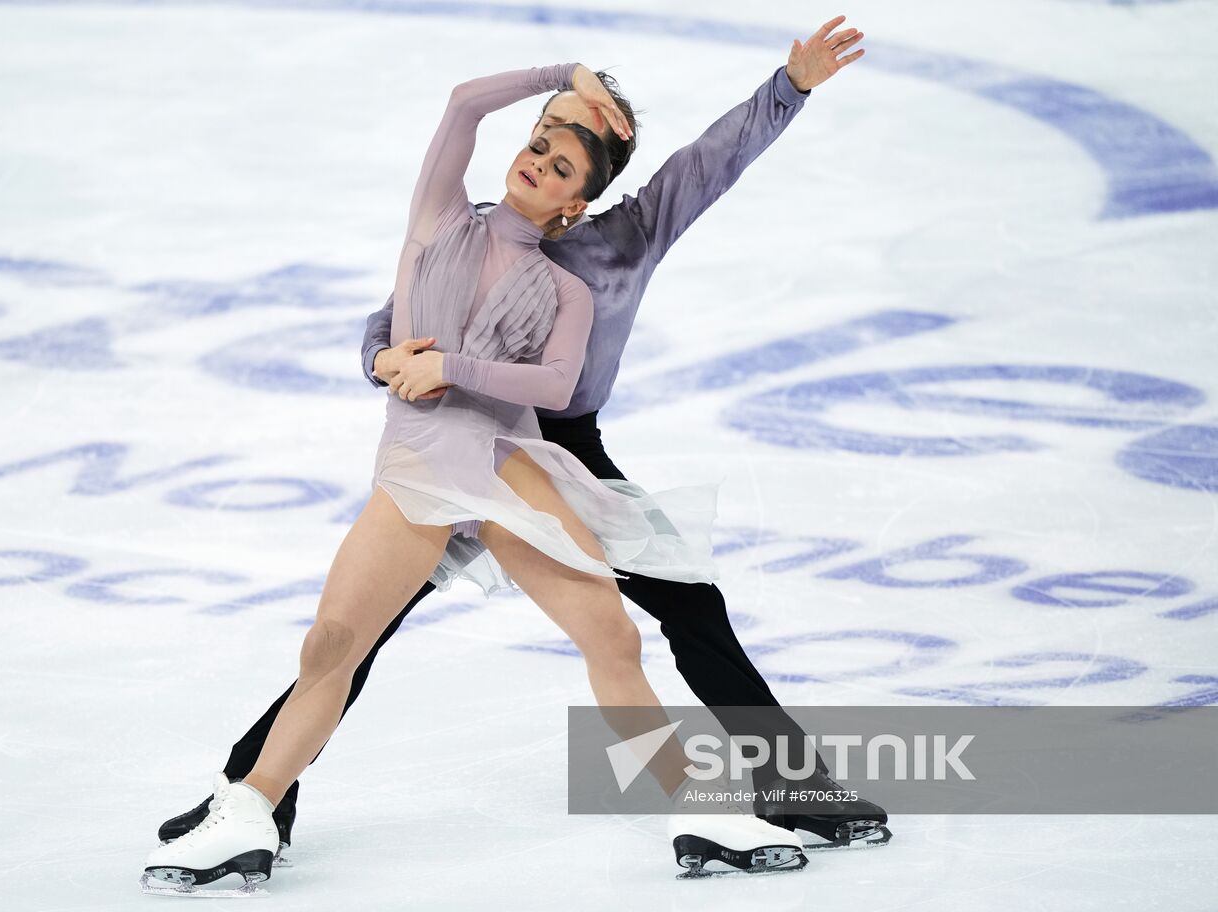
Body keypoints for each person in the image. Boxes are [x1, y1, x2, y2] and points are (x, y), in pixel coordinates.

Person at [142, 60, 805, 897]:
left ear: (577, 202)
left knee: (613, 634)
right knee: (336, 644)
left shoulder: (569, 284)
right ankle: (249, 808)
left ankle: (699, 809)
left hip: (508, 463)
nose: (538, 161)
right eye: (537, 144)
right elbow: (461, 106)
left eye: (562, 165)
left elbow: (557, 388)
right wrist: (559, 75)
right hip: (423, 469)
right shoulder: (440, 216)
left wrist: (449, 365)